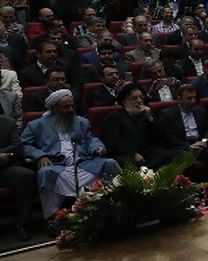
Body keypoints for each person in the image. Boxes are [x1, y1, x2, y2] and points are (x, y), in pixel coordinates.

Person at [20, 89, 120, 231]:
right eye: (66, 107)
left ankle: (119, 207)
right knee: (45, 173)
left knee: (110, 163)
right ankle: (53, 219)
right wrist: (40, 155)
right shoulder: (37, 125)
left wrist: (98, 147)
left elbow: (91, 139)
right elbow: (24, 145)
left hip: (85, 163)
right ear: (54, 108)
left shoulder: (81, 122)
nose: (71, 110)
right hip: (57, 166)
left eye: (72, 106)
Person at [0, 89, 35, 239]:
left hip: (3, 168)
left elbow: (17, 145)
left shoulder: (7, 122)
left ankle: (22, 224)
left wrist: (3, 155)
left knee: (25, 175)